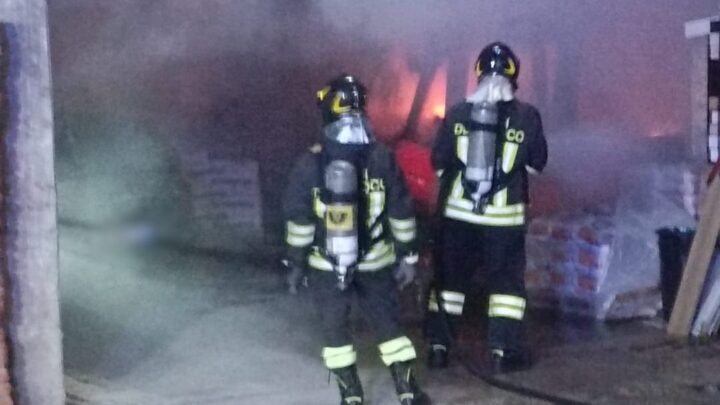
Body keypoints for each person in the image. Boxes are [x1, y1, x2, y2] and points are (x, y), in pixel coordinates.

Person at [283, 74, 429, 405]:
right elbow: (401, 212)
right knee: (388, 326)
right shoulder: (382, 157)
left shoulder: (310, 163)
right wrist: (408, 257)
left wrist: (296, 263)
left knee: (335, 331)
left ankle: (351, 395)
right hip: (376, 262)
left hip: (325, 266)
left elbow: (299, 220)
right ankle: (408, 391)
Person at [424, 42, 548, 373]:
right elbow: (537, 165)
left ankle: (438, 348)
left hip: (458, 217)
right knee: (506, 286)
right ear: (514, 74)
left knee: (449, 280)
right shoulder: (527, 116)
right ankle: (502, 352)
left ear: (478, 72)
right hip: (504, 220)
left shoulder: (457, 113)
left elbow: (439, 164)